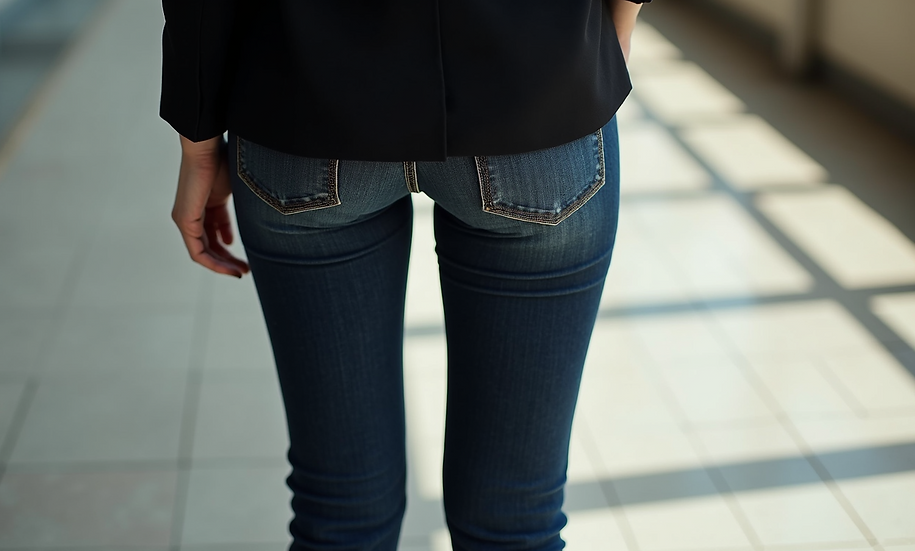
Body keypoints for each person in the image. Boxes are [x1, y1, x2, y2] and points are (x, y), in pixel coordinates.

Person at [161, 1, 648, 549]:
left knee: (341, 514)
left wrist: (198, 135)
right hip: (538, 83)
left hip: (302, 97)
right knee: (516, 521)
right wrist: (615, 27)